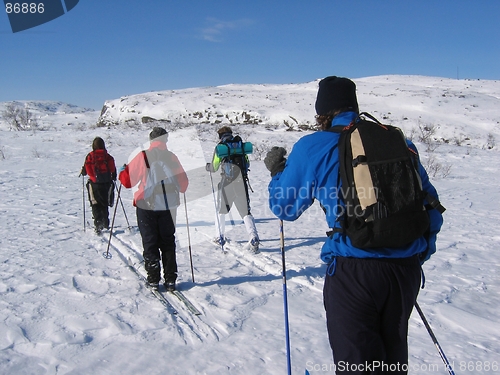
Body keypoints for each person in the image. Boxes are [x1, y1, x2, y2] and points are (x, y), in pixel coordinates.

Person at [264, 76, 444, 374]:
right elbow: (431, 208)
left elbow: (284, 207)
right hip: (405, 271)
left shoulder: (313, 147)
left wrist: (276, 173)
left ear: (322, 113)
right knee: (392, 362)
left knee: (357, 366)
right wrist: (415, 252)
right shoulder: (400, 143)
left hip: (354, 270)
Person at [119, 127, 188, 291]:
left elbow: (128, 182)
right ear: (165, 140)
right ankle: (170, 279)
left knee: (150, 241)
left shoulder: (143, 156)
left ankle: (153, 279)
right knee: (167, 241)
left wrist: (123, 172)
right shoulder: (172, 157)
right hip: (169, 205)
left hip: (146, 205)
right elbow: (184, 185)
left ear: (151, 140)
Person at [206, 126, 259, 252]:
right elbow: (247, 163)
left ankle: (220, 236)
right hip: (242, 182)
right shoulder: (240, 145)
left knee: (221, 210)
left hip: (227, 182)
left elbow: (214, 167)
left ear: (220, 136)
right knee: (246, 212)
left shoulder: (221, 147)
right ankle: (253, 236)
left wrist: (208, 167)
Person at [80, 137, 117, 235]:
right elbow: (113, 169)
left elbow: (86, 170)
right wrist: (113, 176)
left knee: (95, 203)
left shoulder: (90, 156)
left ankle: (98, 224)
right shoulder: (108, 156)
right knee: (104, 203)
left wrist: (83, 172)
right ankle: (105, 222)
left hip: (94, 184)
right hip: (106, 183)